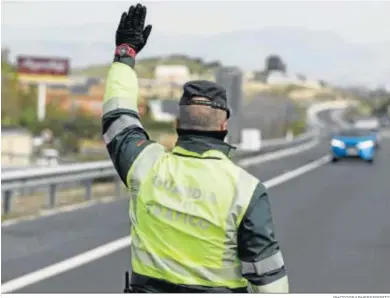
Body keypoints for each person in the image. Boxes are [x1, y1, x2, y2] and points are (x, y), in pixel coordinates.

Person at [102, 3, 289, 293]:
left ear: (177, 123)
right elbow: (269, 282)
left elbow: (117, 115)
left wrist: (125, 53)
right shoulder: (246, 191)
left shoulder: (144, 165)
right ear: (224, 127)